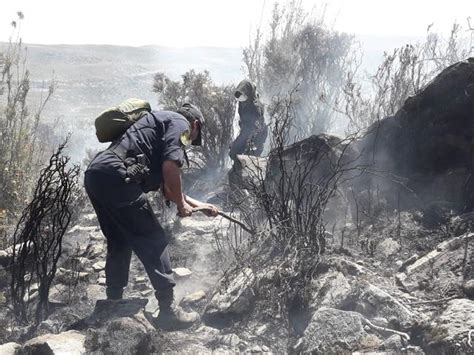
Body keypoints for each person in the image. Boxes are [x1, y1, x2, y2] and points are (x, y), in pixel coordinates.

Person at [84, 103, 218, 330]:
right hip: (118, 177)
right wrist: (182, 206)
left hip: (97, 174)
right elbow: (169, 168)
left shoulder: (158, 124)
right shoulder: (180, 123)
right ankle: (168, 310)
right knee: (153, 238)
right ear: (195, 124)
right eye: (194, 136)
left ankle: (113, 302)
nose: (190, 140)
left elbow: (169, 189)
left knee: (119, 241)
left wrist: (200, 205)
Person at [229, 79, 268, 160]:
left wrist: (239, 143)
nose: (240, 97)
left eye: (243, 93)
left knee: (239, 154)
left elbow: (253, 128)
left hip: (256, 138)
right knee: (234, 152)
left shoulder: (255, 106)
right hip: (246, 133)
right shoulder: (243, 102)